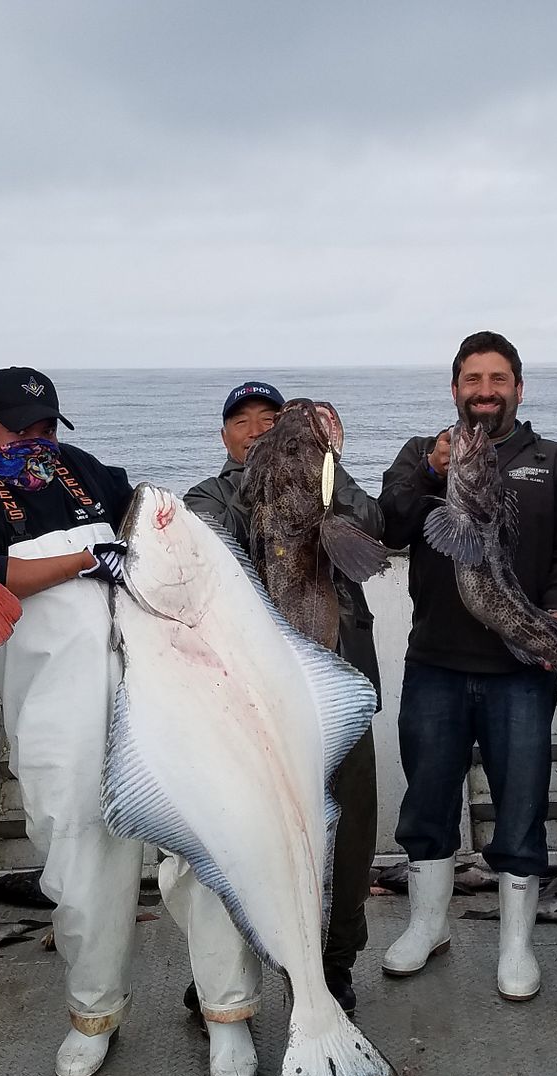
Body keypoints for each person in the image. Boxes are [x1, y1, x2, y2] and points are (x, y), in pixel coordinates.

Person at [0, 368, 259, 1076]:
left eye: (47, 429)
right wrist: (81, 560)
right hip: (56, 713)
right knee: (81, 868)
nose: (38, 443)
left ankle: (230, 1013)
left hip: (159, 696)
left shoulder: (89, 473)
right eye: (20, 431)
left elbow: (155, 531)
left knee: (206, 848)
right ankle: (93, 1013)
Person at [377, 331, 557, 1002]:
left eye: (497, 378)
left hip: (521, 668)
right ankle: (427, 926)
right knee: (428, 802)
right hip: (436, 664)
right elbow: (390, 526)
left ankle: (516, 946)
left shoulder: (553, 462)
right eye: (472, 379)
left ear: (519, 388)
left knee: (522, 808)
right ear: (454, 390)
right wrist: (431, 474)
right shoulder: (422, 455)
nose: (484, 390)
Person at [184, 380, 384, 1011]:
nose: (254, 429)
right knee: (245, 832)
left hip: (339, 683)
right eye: (241, 421)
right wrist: (276, 483)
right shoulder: (206, 496)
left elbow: (372, 531)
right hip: (246, 696)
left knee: (348, 829)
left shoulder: (329, 482)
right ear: (225, 436)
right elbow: (215, 560)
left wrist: (330, 467)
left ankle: (336, 960)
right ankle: (230, 967)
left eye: (268, 421)